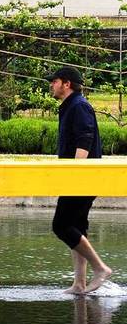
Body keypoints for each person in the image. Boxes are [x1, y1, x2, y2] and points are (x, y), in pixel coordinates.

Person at [48, 65, 112, 294]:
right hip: (80, 175)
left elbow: (85, 139)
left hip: (82, 176)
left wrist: (76, 173)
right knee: (76, 227)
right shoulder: (70, 106)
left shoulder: (79, 105)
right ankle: (79, 283)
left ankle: (100, 268)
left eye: (54, 81)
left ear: (67, 84)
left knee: (61, 225)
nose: (51, 85)